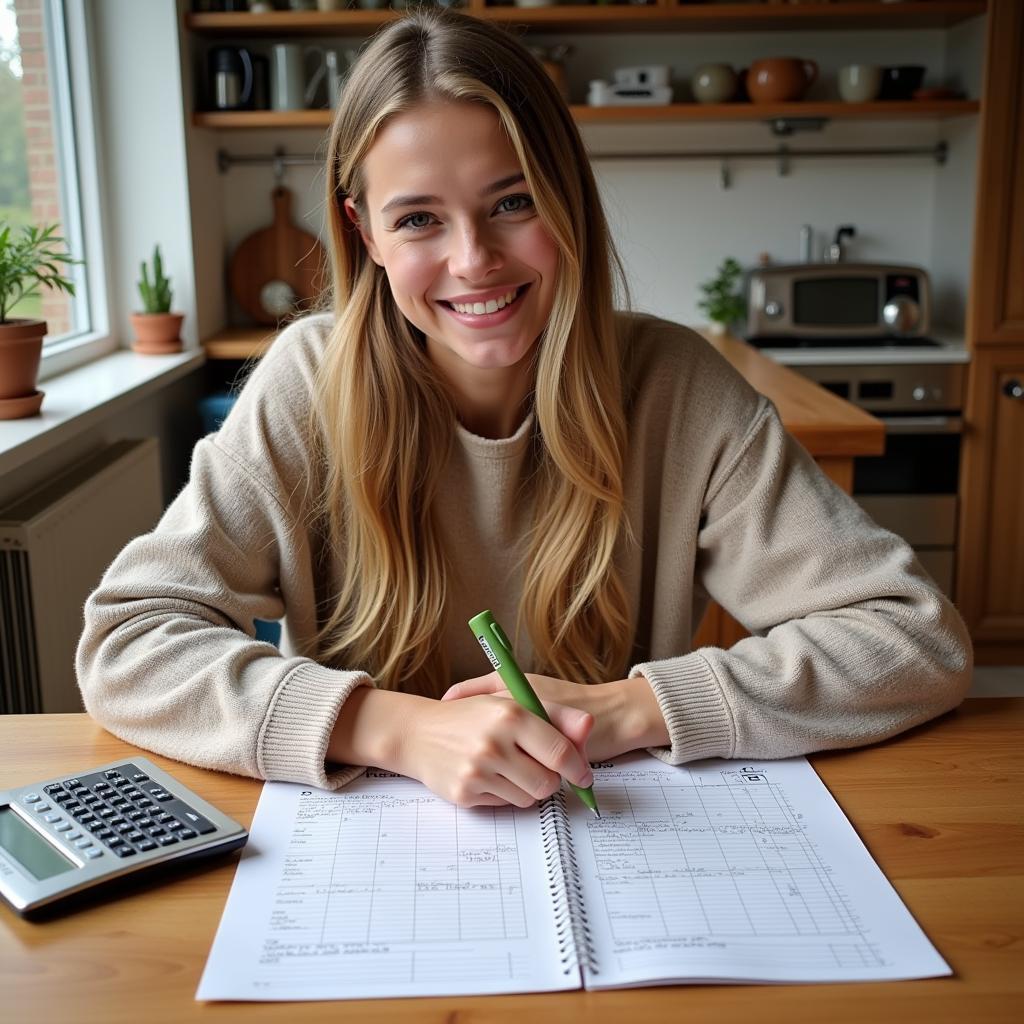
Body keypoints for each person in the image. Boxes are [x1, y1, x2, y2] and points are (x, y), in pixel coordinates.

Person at [77, 9, 971, 809]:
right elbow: (128, 643)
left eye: (512, 202)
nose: (474, 261)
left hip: (617, 825)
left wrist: (631, 707)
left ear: (568, 199)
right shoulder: (307, 384)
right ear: (365, 234)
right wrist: (389, 729)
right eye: (420, 219)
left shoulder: (676, 383)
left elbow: (913, 639)